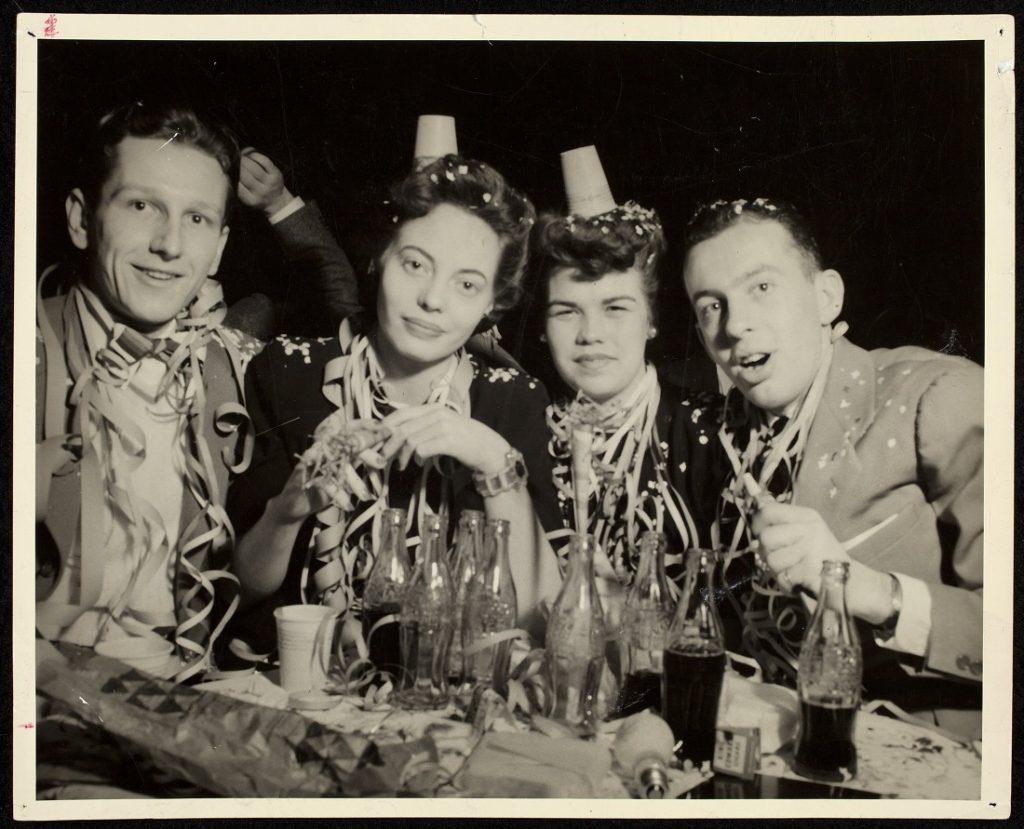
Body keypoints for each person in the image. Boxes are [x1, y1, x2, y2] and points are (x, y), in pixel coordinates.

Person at [225, 147, 563, 659]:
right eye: (415, 265)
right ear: (381, 257)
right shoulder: (287, 373)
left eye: (467, 284)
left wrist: (492, 458)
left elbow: (537, 618)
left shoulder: (515, 402)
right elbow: (239, 590)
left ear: (493, 302)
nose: (433, 298)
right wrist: (288, 510)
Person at [681, 197, 983, 739]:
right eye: (711, 306)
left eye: (762, 288)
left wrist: (872, 592)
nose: (736, 326)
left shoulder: (939, 396)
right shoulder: (729, 434)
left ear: (826, 296)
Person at [35, 103, 263, 680]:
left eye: (197, 220)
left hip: (183, 693)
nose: (169, 245)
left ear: (218, 247)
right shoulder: (28, 349)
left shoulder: (228, 373)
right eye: (142, 206)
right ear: (83, 219)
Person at [536, 146, 721, 615]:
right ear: (542, 325)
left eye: (616, 308)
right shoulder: (520, 431)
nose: (590, 335)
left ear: (651, 319)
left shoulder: (711, 432)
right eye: (566, 311)